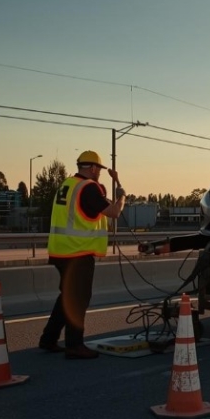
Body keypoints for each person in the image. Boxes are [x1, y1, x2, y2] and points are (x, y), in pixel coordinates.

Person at [38, 150, 126, 359]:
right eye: (99, 169)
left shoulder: (67, 184)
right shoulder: (88, 187)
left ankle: (48, 339)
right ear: (93, 168)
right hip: (77, 252)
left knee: (68, 296)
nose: (100, 173)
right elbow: (114, 212)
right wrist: (122, 195)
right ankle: (74, 345)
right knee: (79, 299)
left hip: (60, 251)